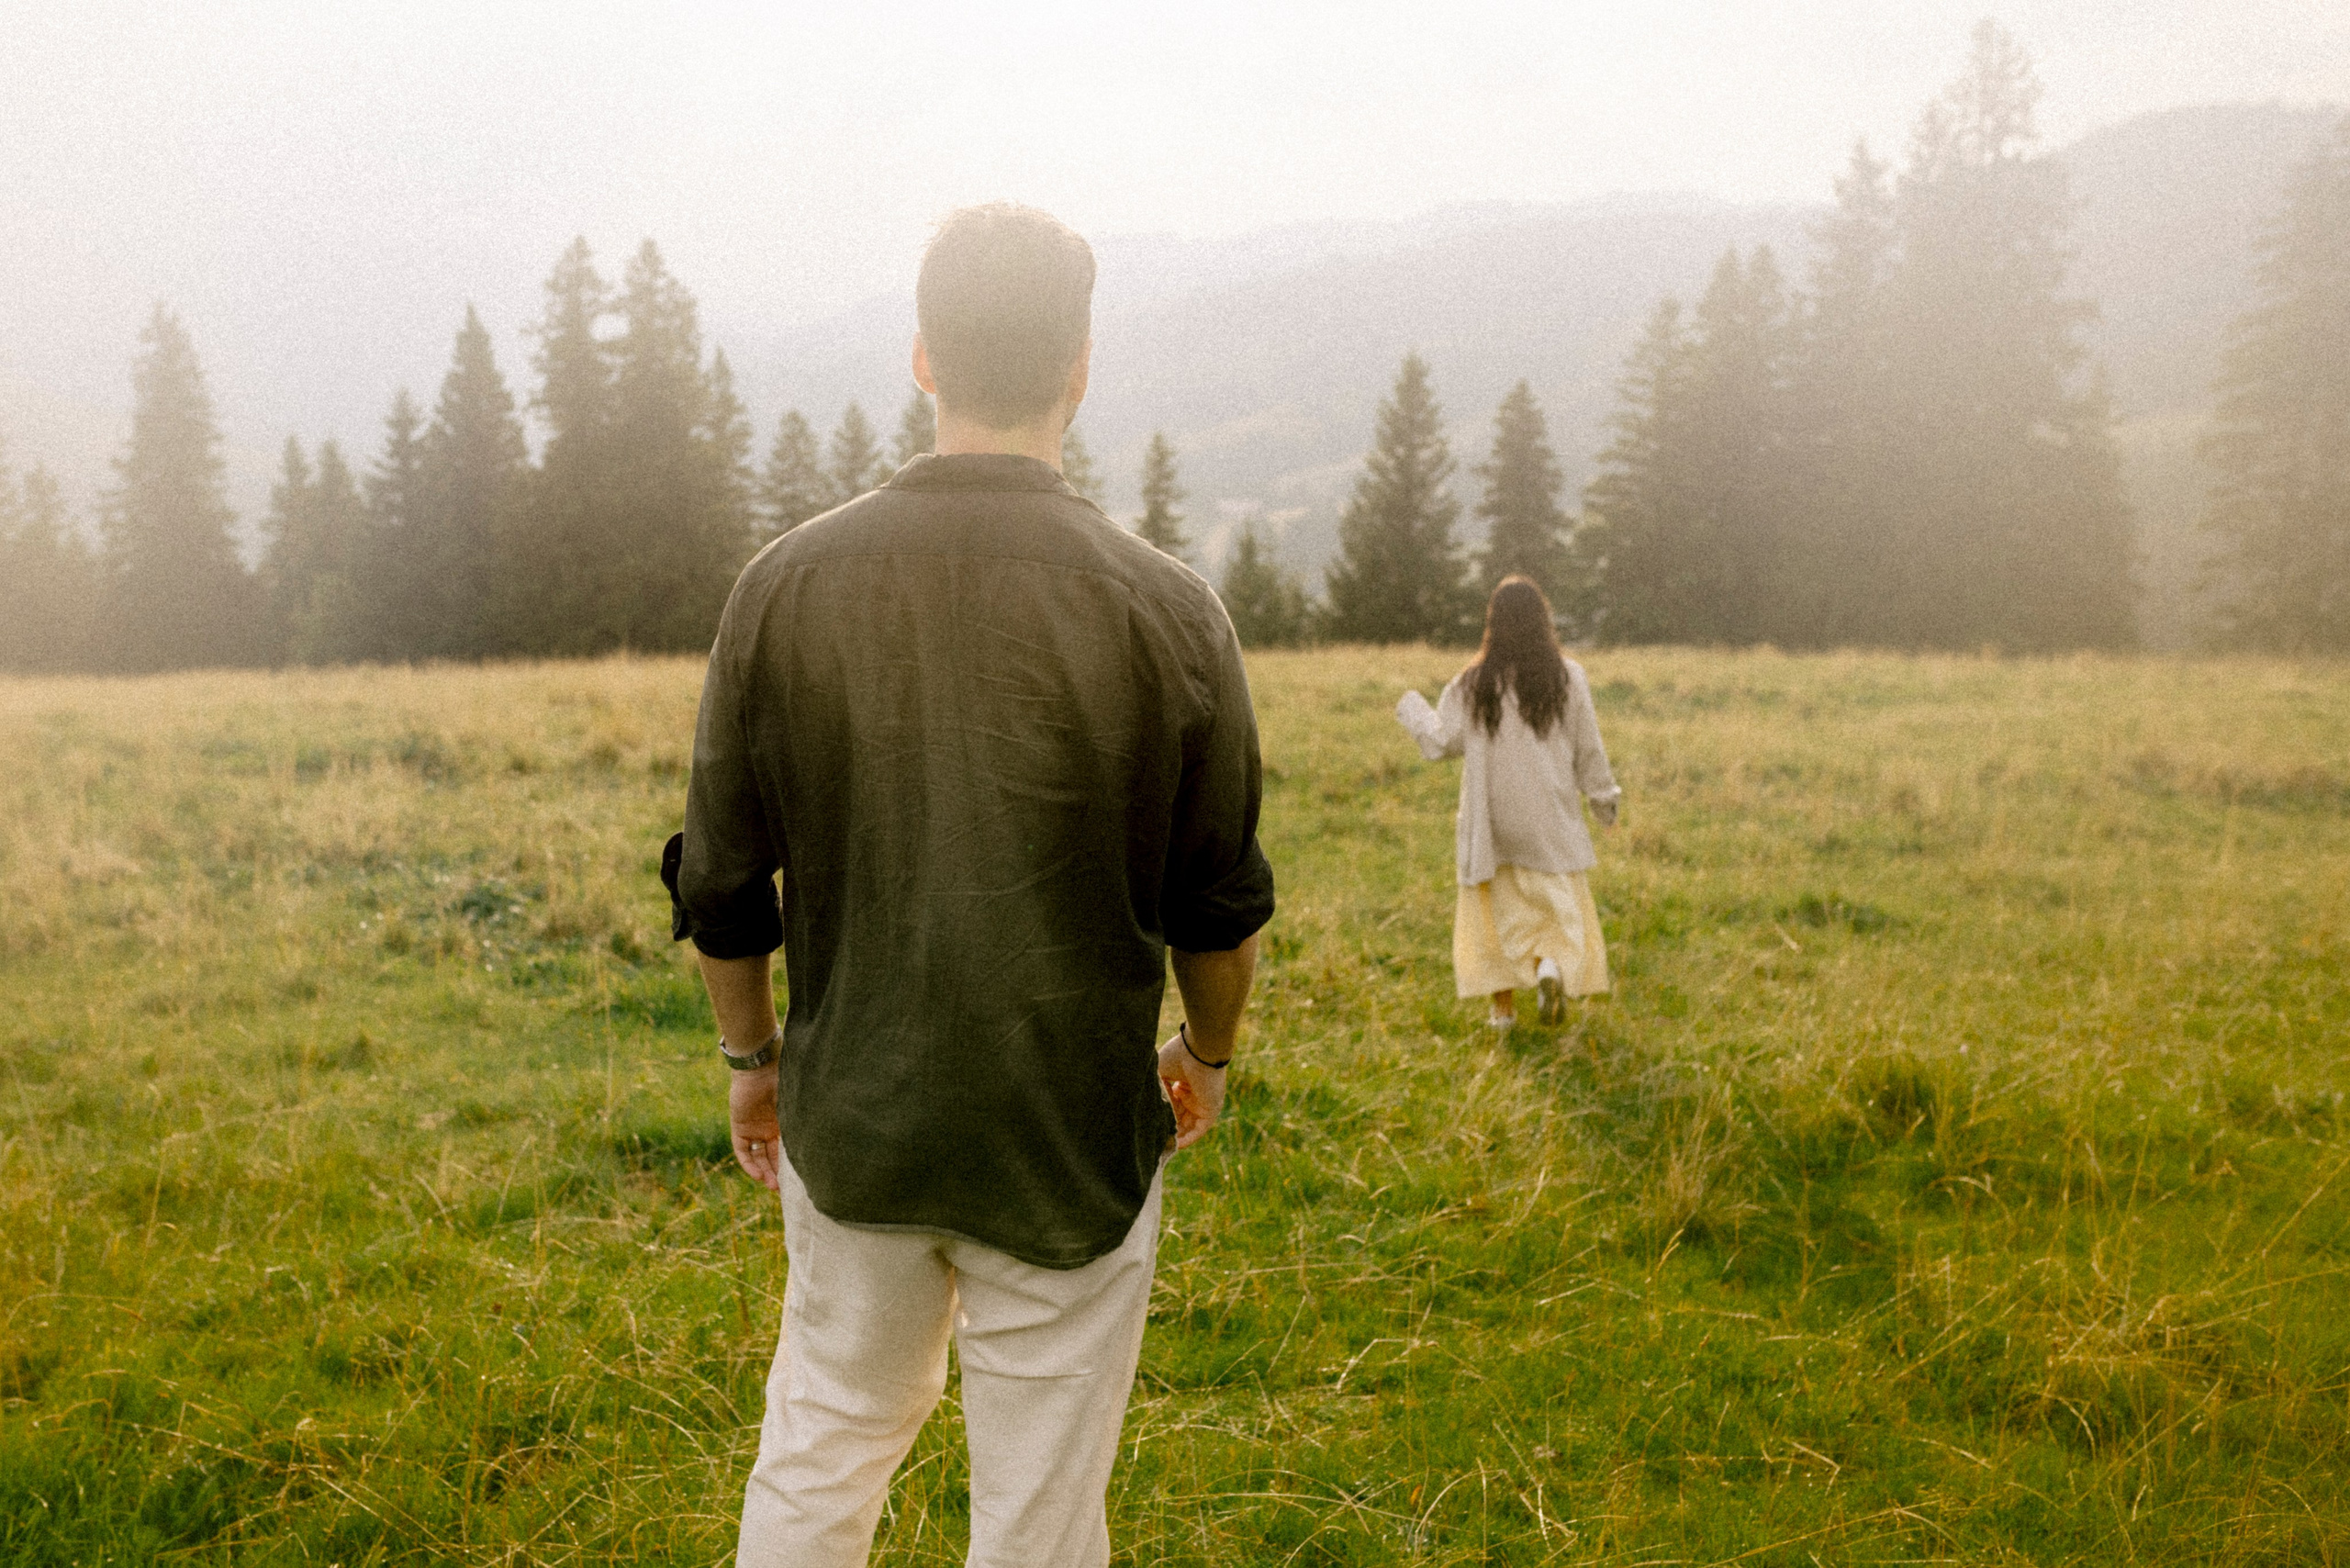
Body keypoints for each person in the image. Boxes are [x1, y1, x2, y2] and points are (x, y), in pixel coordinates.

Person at [665, 203, 1275, 1568]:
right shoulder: (1173, 612)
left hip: (856, 1119)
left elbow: (719, 881)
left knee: (823, 1444)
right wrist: (1208, 1054)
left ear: (926, 358)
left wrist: (751, 1057)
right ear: (1080, 366)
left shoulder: (781, 587)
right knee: (1042, 1521)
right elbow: (1219, 908)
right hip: (1065, 1139)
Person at [1395, 576, 1619, 1030]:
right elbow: (1587, 747)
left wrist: (1411, 708)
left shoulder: (1474, 683)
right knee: (1552, 906)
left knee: (1496, 912)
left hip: (1493, 819)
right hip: (1550, 814)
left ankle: (1503, 1014)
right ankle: (1549, 968)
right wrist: (1603, 798)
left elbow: (1441, 742)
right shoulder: (1568, 677)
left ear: (1492, 624)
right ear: (1544, 621)